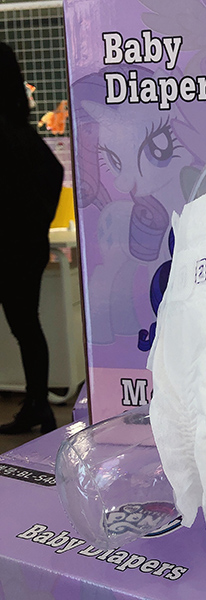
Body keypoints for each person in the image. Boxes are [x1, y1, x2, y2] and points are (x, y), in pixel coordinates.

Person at [0, 42, 63, 434]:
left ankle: (37, 405)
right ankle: (38, 405)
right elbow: (54, 173)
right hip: (24, 247)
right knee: (26, 326)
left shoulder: (8, 131)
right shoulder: (19, 130)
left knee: (24, 326)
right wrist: (37, 224)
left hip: (13, 249)